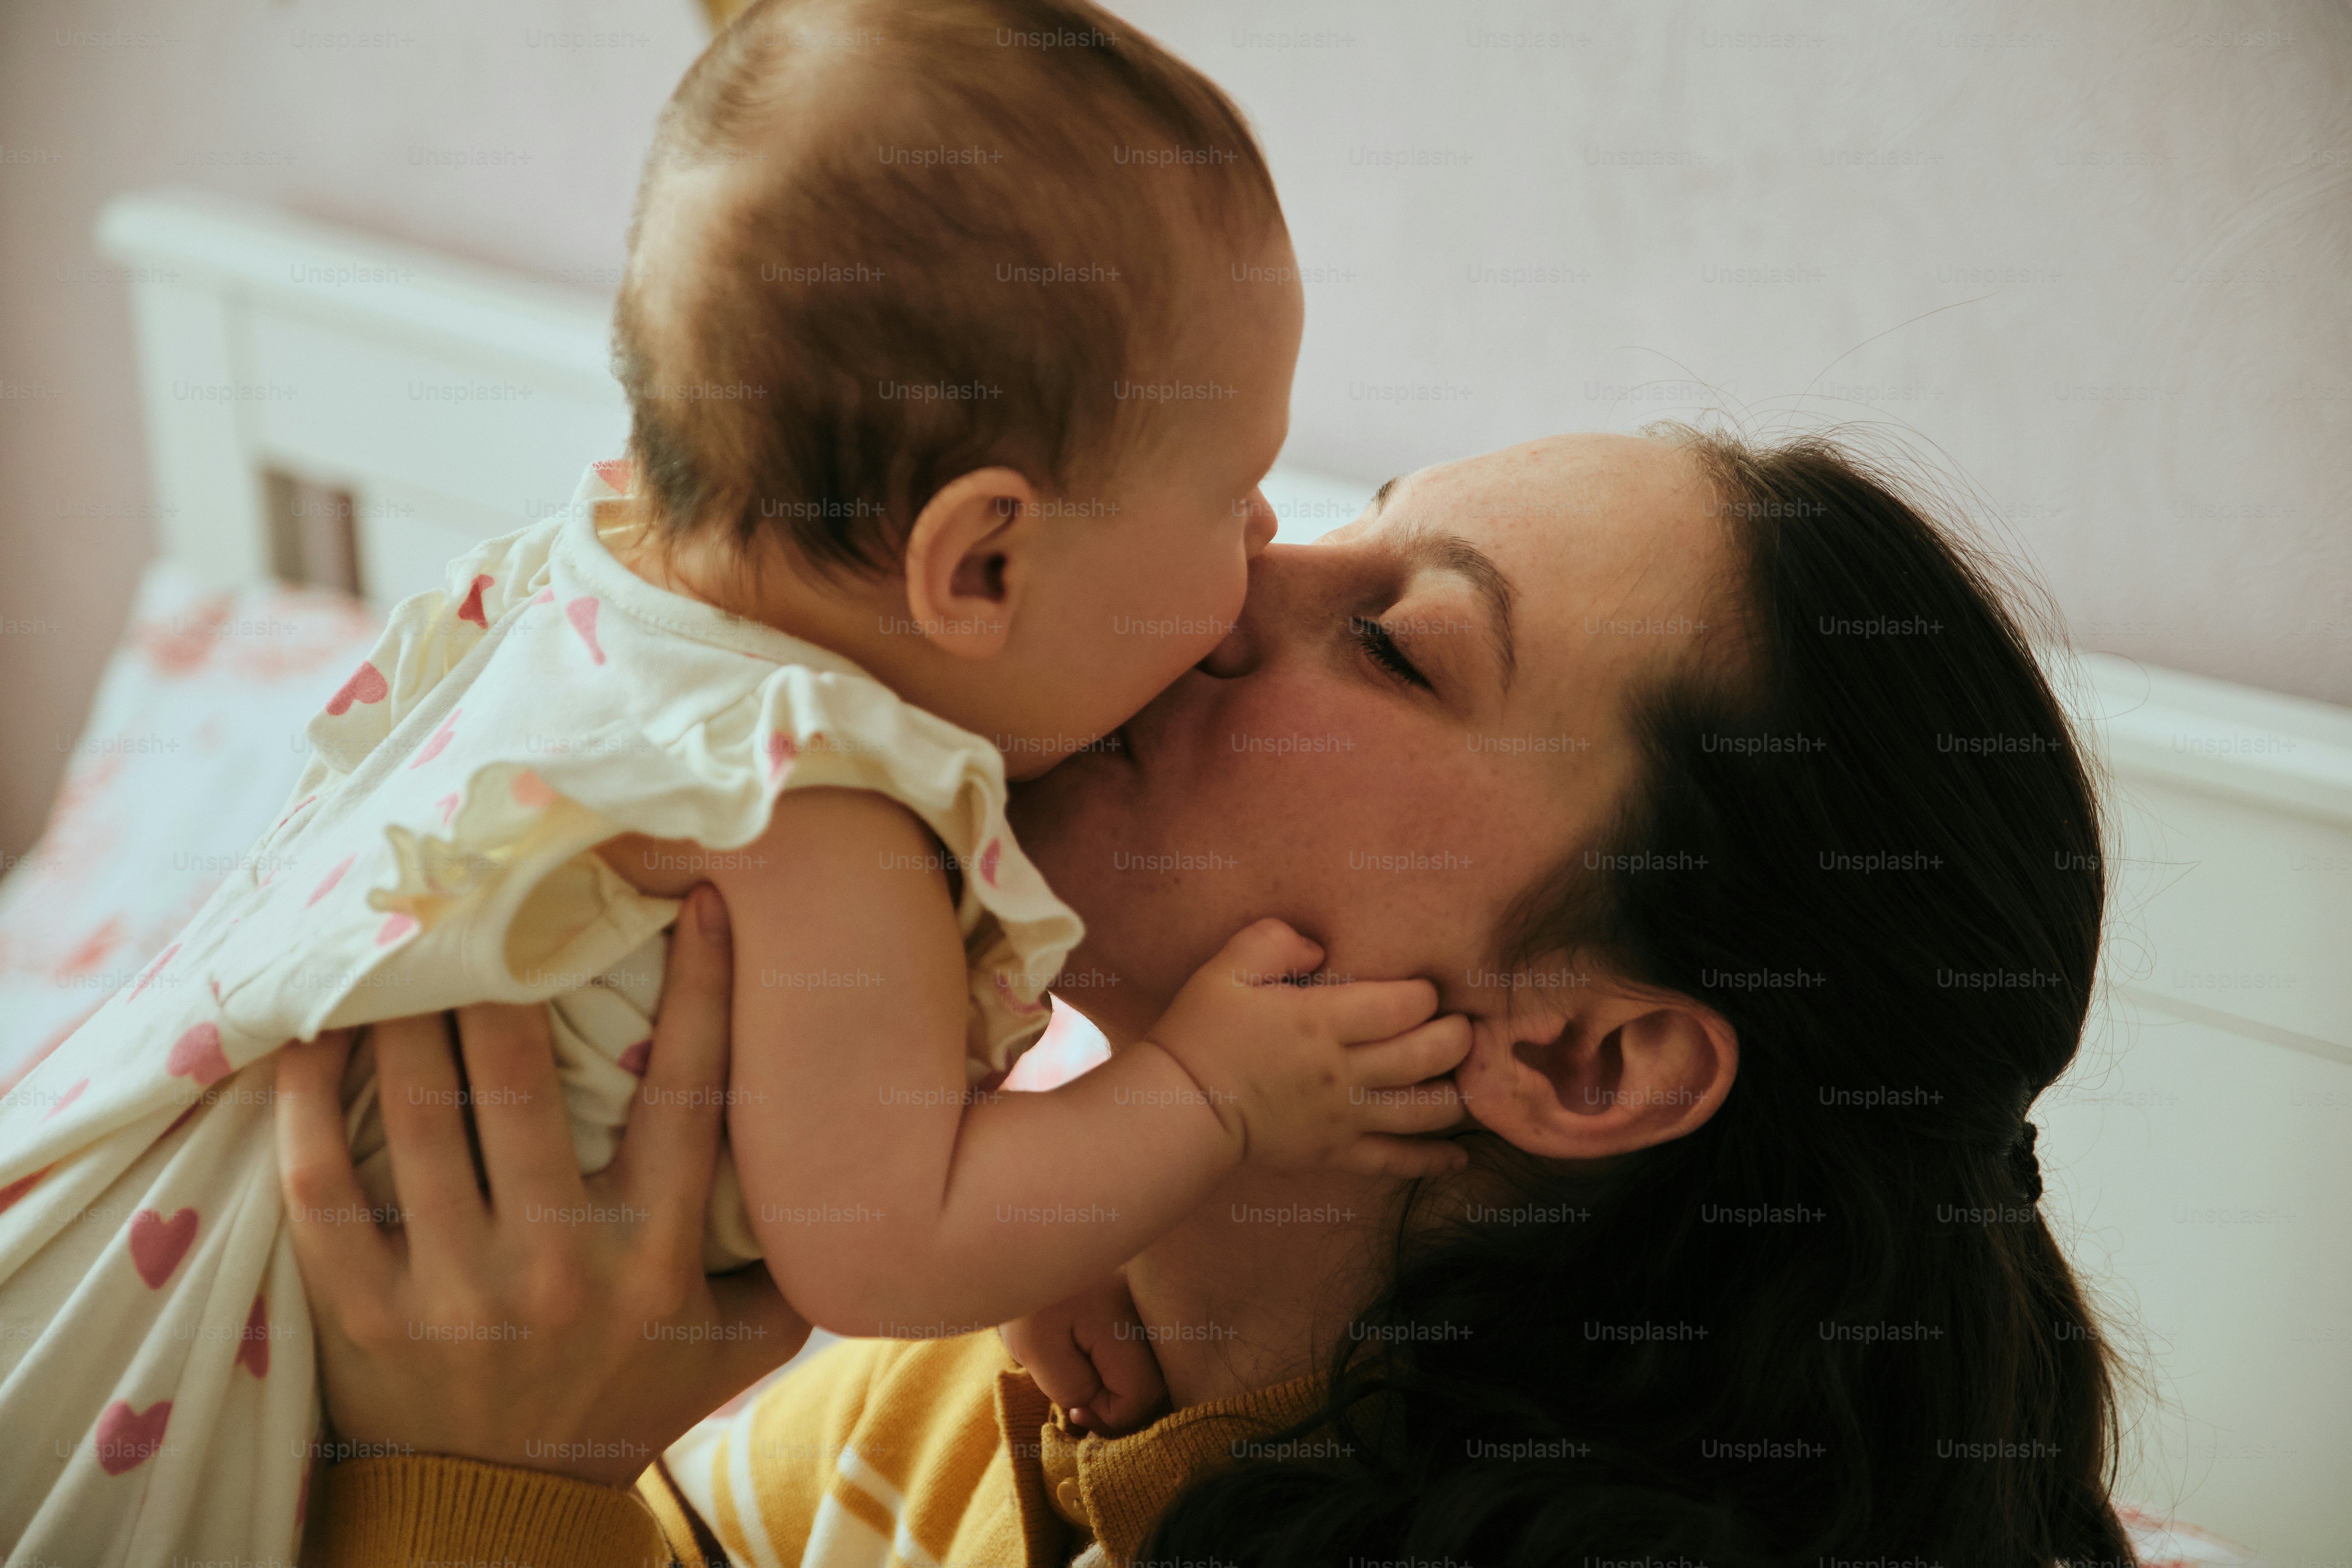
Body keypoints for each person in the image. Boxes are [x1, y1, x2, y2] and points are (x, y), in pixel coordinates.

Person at [0, 2, 1469, 1559]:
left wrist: (1045, 1220)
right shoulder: (822, 806)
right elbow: (886, 1243)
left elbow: (851, 1102)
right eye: (1233, 486)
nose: (1263, 543)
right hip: (239, 1369)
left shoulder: (632, 592)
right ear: (978, 563)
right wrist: (1209, 1098)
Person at [293, 425, 2143, 1566]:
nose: (1250, 565)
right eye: (1346, 512)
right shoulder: (968, 1373)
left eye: (1401, 643)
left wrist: (485, 1492)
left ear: (1587, 1052)